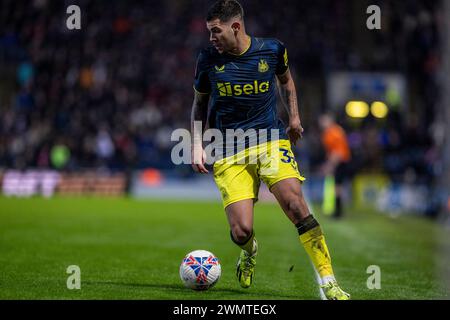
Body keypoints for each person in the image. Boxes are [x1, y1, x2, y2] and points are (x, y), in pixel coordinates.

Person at [190, 0, 350, 300]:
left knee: (295, 204)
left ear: (235, 27)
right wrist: (197, 143)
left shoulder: (273, 50)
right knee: (241, 231)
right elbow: (199, 104)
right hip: (228, 148)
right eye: (209, 32)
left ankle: (329, 281)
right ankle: (249, 251)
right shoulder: (207, 59)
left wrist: (294, 117)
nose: (211, 38)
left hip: (270, 140)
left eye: (215, 31)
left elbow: (287, 82)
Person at [319, 113, 352, 219]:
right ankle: (337, 210)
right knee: (337, 186)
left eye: (324, 120)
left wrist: (330, 165)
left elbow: (338, 152)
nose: (321, 123)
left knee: (337, 187)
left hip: (341, 161)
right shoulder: (331, 132)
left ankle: (338, 212)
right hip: (339, 160)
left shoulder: (334, 132)